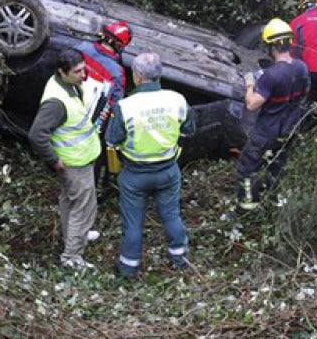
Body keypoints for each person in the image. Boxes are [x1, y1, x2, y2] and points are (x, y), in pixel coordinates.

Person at [105, 52, 195, 278]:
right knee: (172, 215)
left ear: (137, 77)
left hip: (134, 175)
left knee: (133, 223)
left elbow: (111, 139)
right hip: (167, 171)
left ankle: (128, 267)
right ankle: (179, 259)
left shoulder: (125, 106)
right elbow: (189, 130)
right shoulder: (177, 100)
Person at [28, 48, 103, 269]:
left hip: (80, 158)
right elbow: (36, 134)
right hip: (74, 163)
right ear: (62, 72)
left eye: (84, 68)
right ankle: (72, 256)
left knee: (70, 202)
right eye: (78, 71)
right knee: (83, 207)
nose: (84, 75)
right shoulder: (55, 103)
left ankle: (73, 236)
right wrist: (53, 159)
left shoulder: (66, 84)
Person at [234, 19, 310, 211]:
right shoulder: (301, 67)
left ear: (273, 45)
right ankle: (275, 203)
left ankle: (247, 208)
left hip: (268, 130)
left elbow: (252, 104)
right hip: (289, 128)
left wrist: (250, 83)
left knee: (247, 167)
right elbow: (305, 92)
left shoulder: (271, 75)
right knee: (277, 164)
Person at [75, 20, 132, 187]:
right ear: (119, 45)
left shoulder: (81, 48)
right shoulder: (116, 71)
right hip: (96, 119)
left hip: (73, 107)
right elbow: (116, 103)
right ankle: (94, 184)